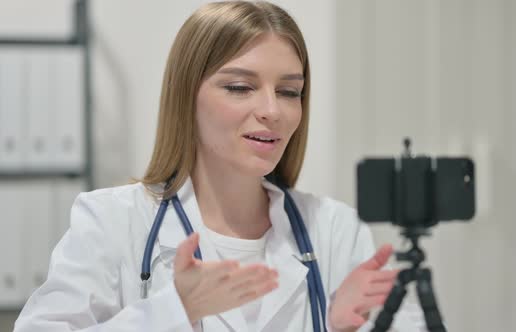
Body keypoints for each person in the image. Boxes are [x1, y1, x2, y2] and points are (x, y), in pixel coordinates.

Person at [14, 1, 425, 331]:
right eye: (240, 87)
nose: (272, 110)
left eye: (289, 91)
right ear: (186, 97)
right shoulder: (112, 221)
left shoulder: (335, 230)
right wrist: (173, 311)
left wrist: (341, 328)